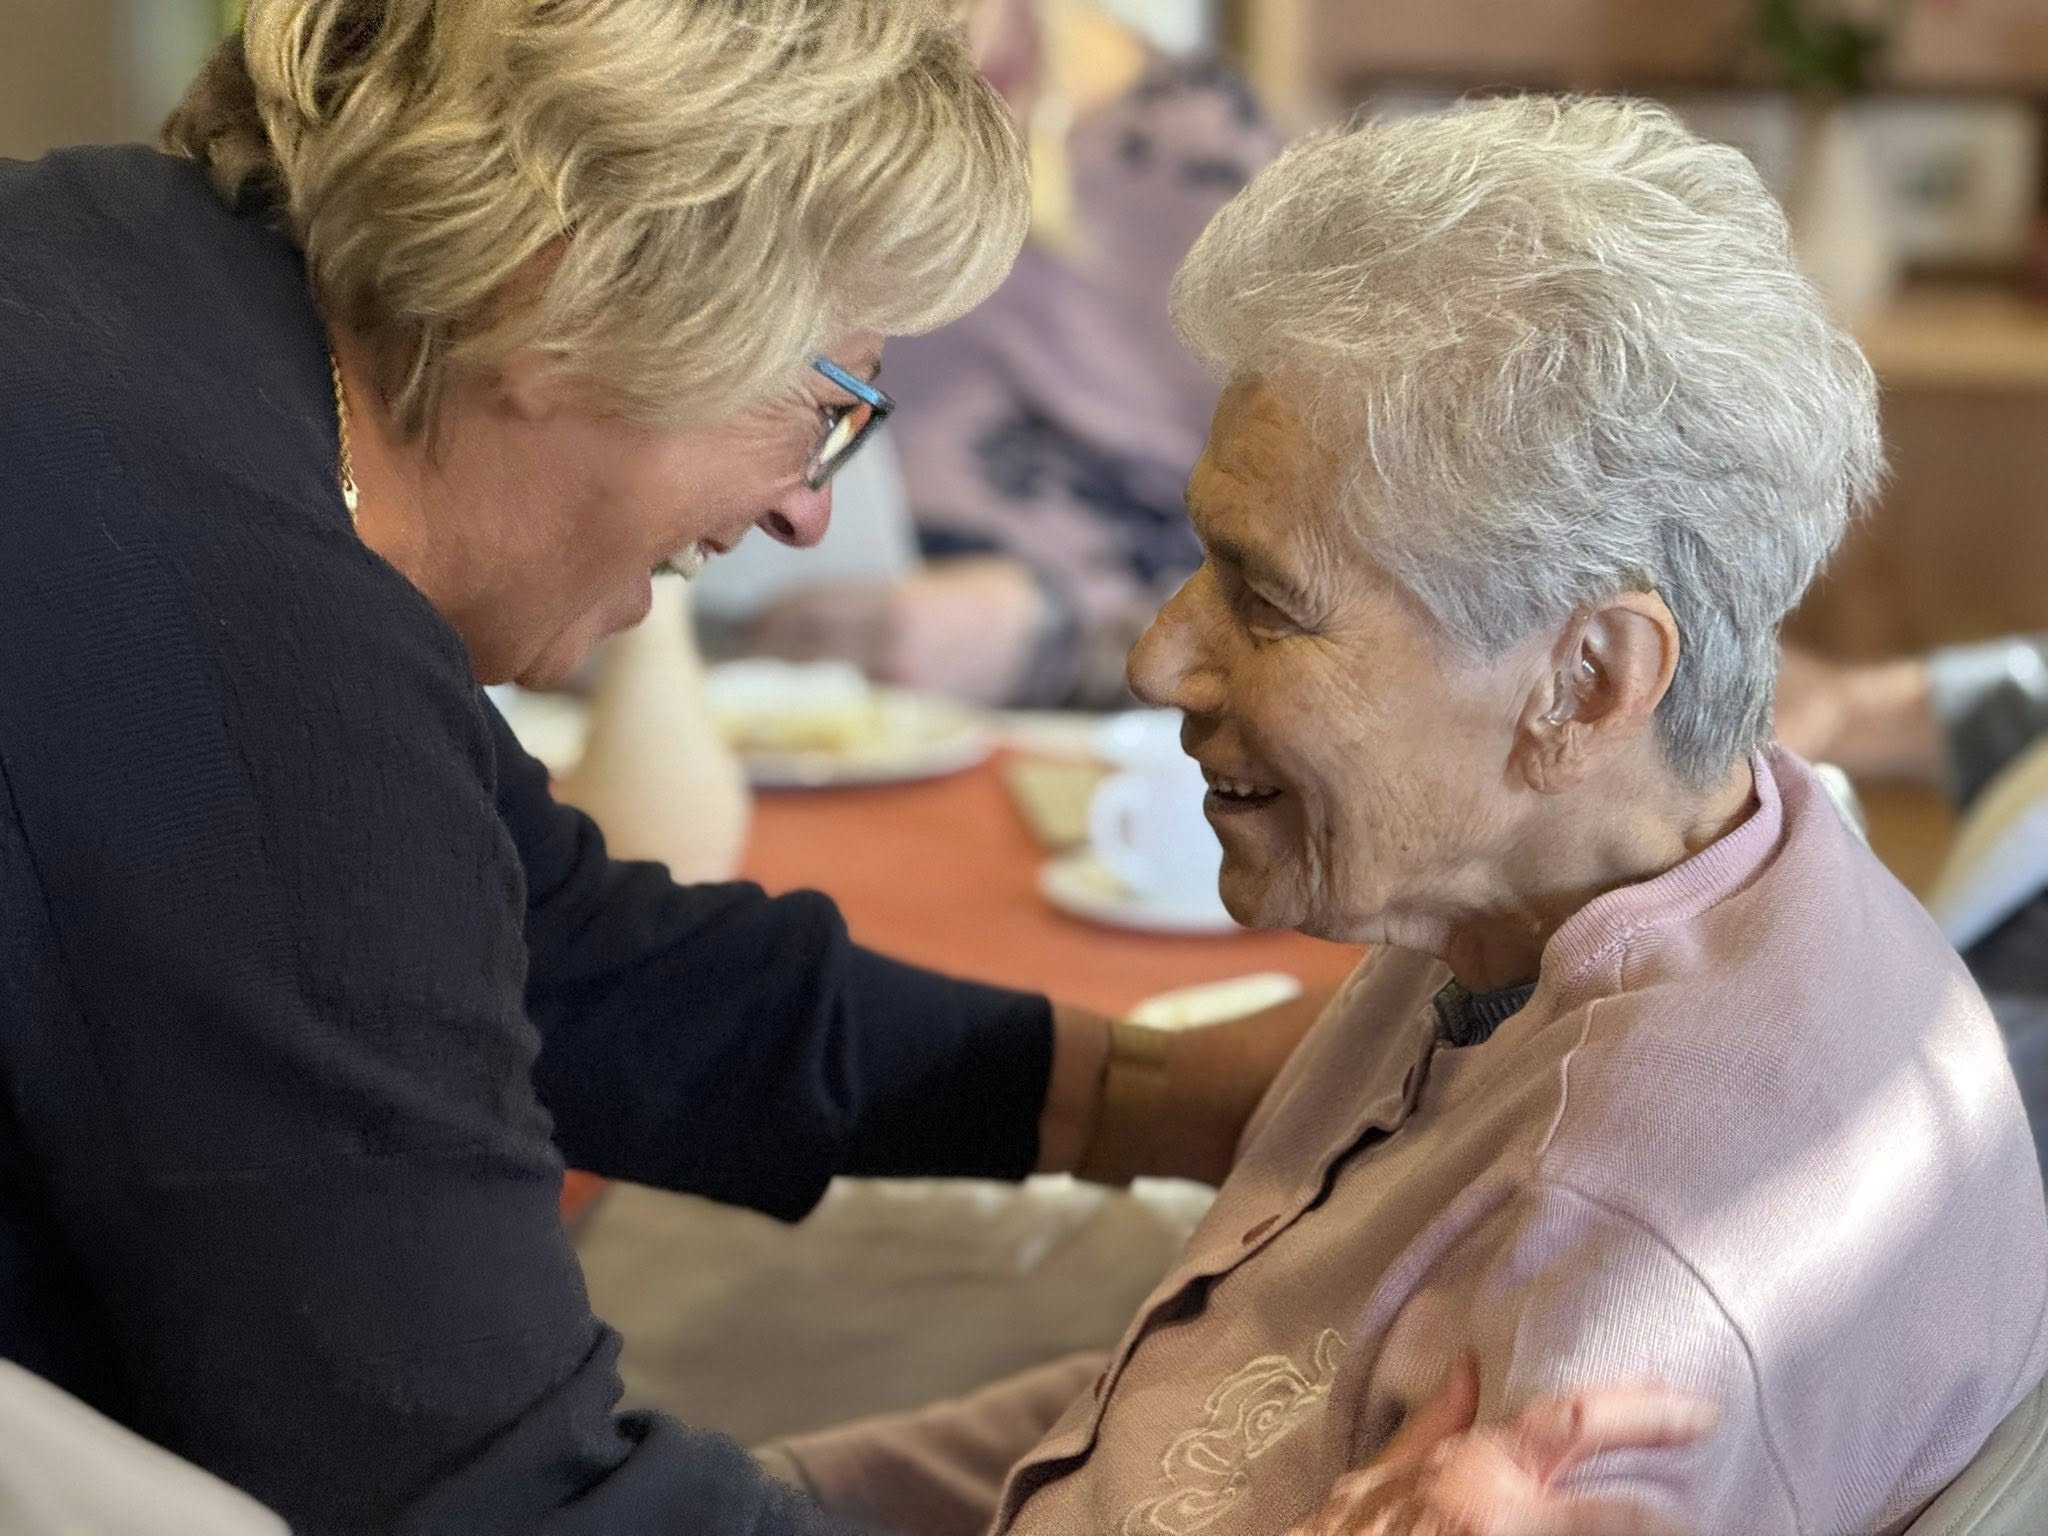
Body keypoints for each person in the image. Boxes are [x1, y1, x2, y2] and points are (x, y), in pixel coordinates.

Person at [0, 4, 1324, 1531]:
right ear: (570, 292)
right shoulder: (233, 624)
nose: (807, 511)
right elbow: (502, 1495)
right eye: (828, 407)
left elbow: (551, 952)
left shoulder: (131, 281)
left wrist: (1139, 1094)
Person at [767, 97, 2048, 1535]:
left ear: (1586, 681)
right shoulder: (1620, 872)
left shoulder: (1624, 1271)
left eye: (1268, 597)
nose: (1157, 659)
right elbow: (1195, 1423)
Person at [742, 0, 1280, 708]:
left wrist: (1052, 634)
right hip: (773, 700)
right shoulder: (772, 120)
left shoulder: (1197, 157)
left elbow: (1298, 585)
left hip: (1081, 729)